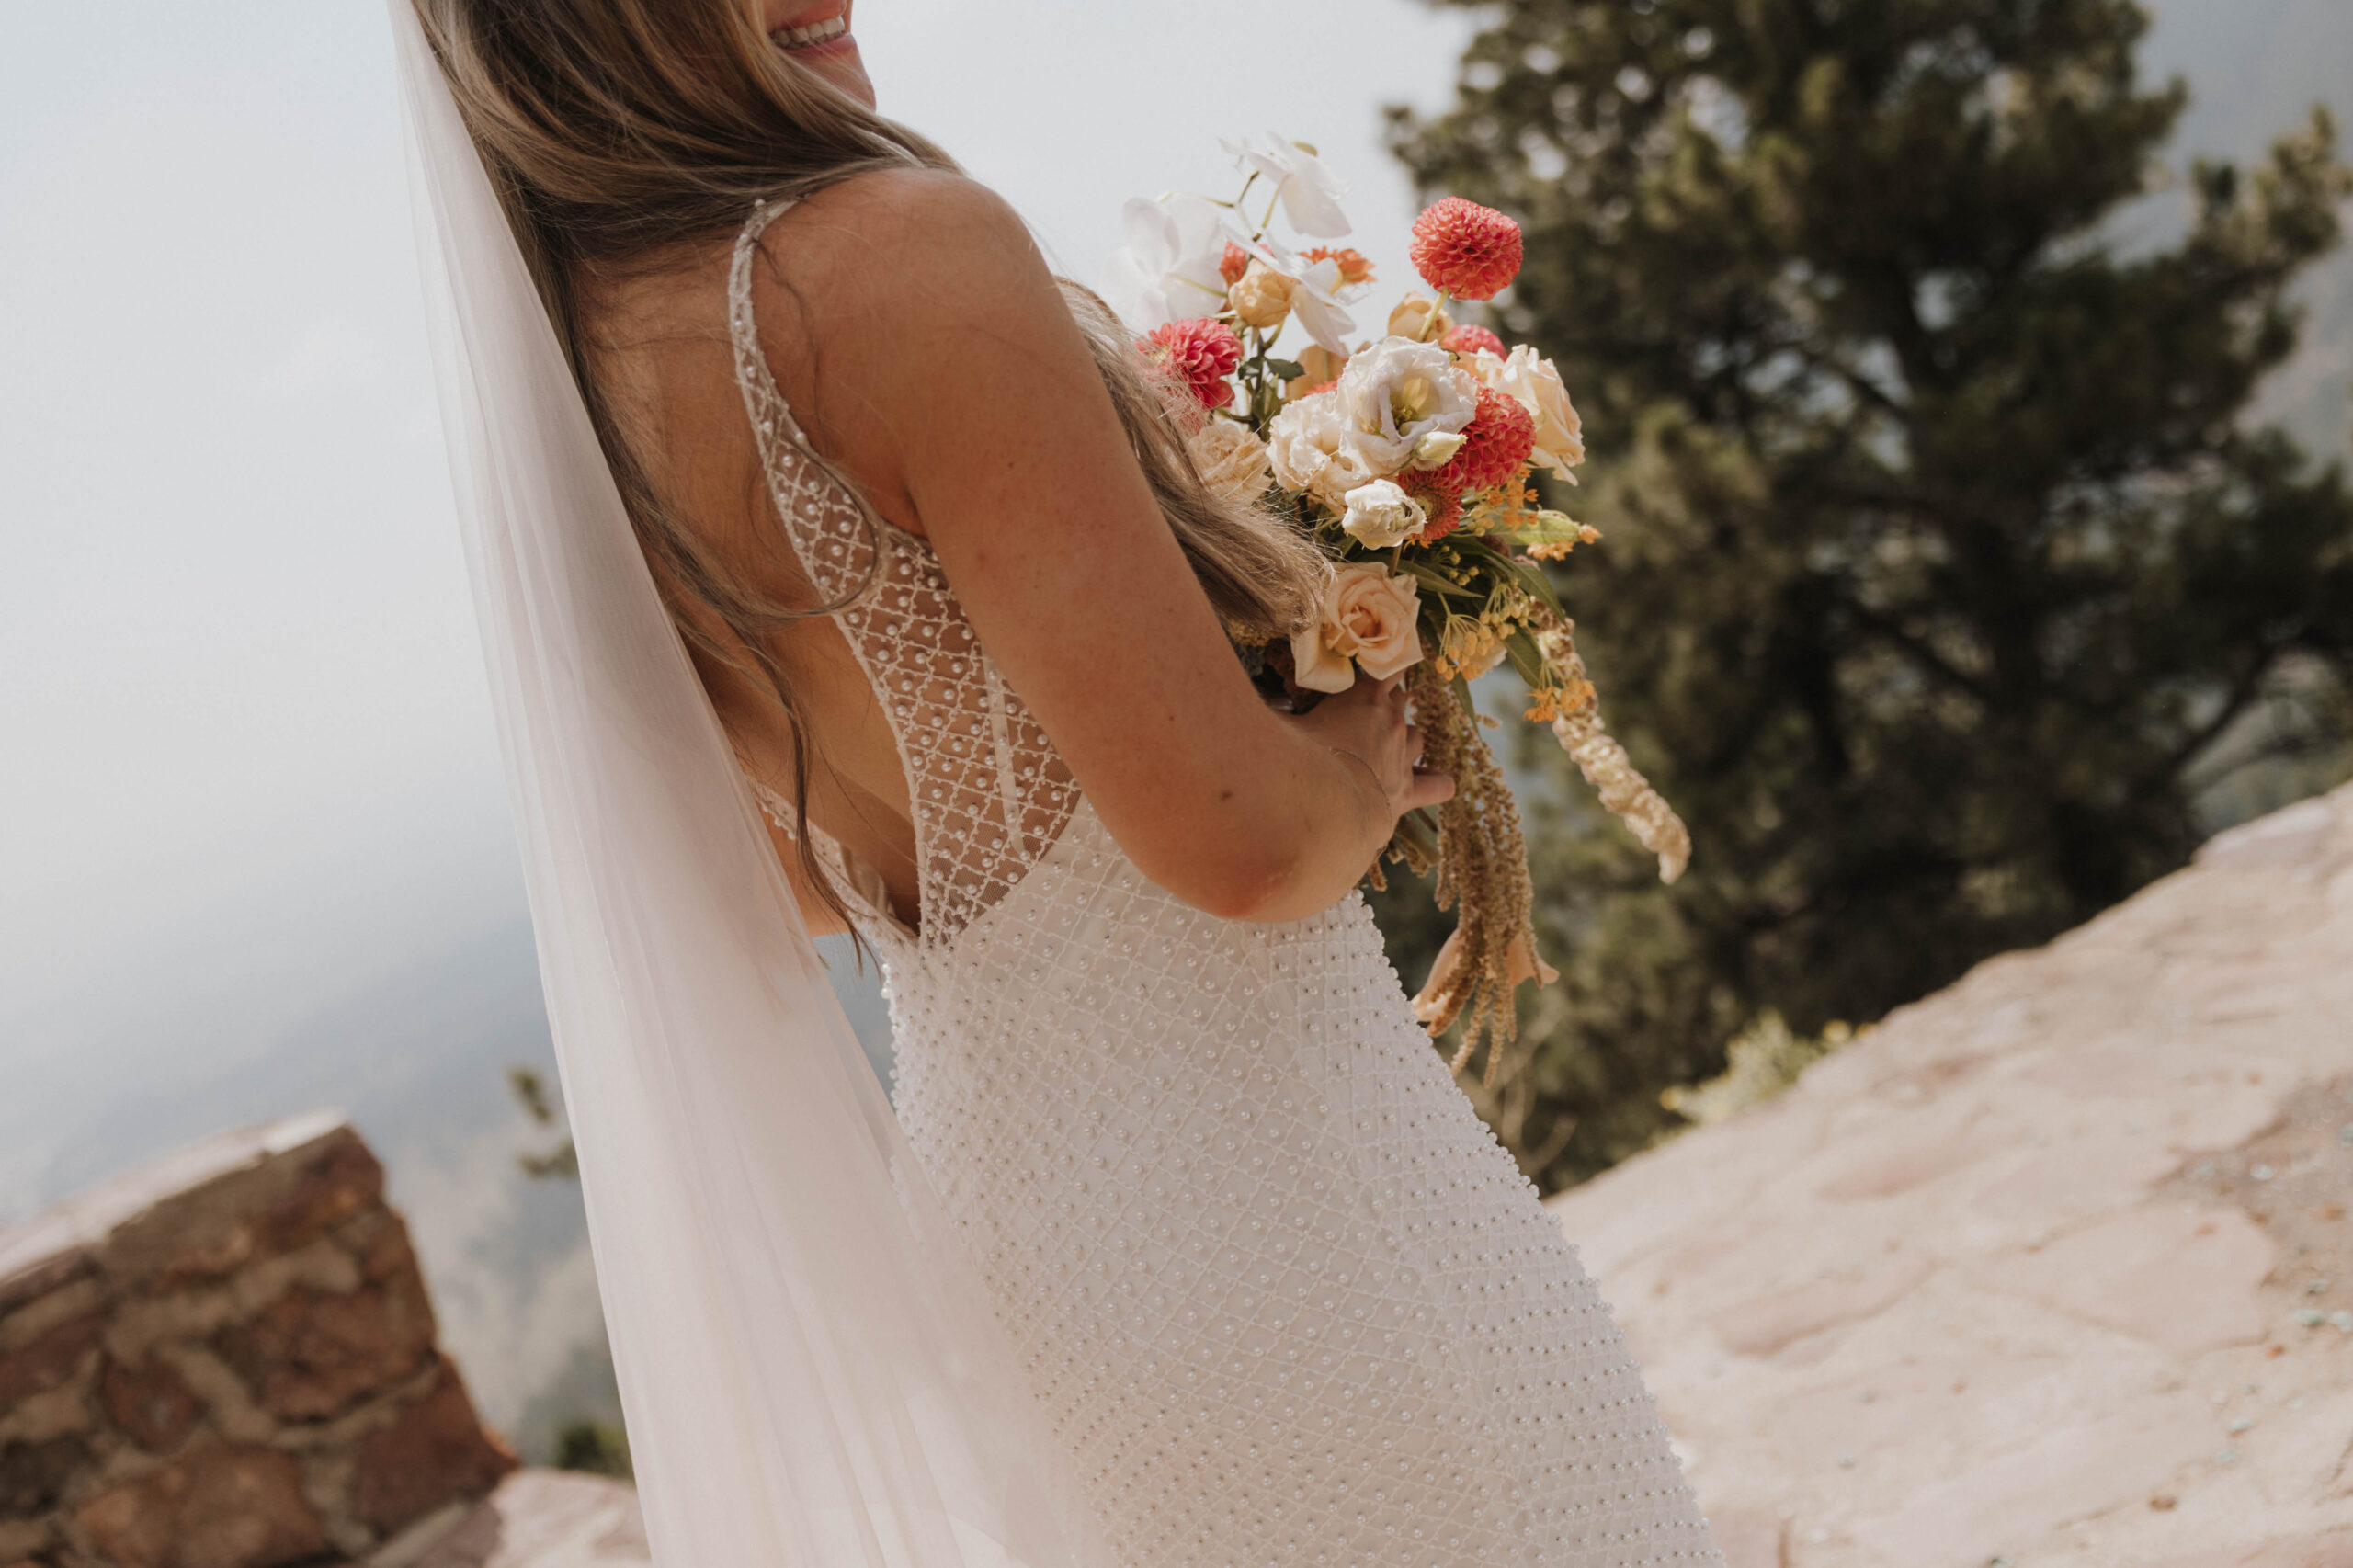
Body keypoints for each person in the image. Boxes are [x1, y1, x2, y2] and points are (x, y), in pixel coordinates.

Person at [403, 1, 1721, 1562]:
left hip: (1025, 1248)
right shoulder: (892, 259)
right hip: (1281, 1208)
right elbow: (1239, 847)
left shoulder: (573, 405)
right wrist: (1359, 761)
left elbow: (797, 889)